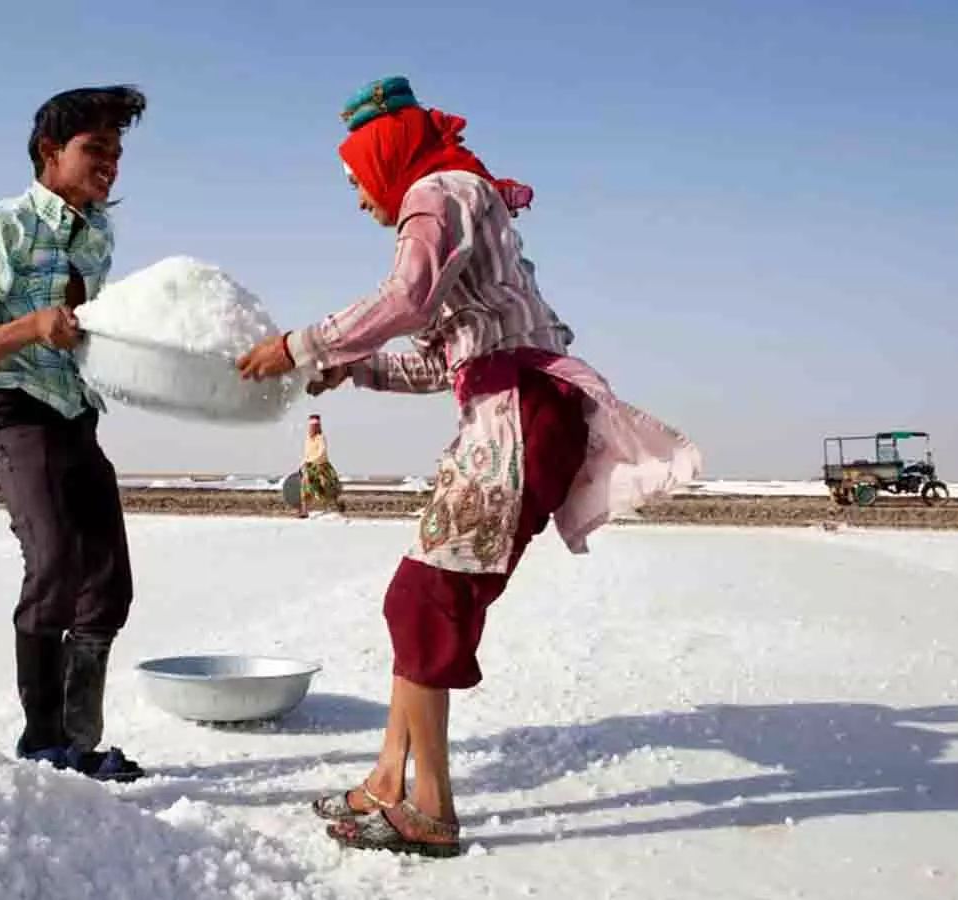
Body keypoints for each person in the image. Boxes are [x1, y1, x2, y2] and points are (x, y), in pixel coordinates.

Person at [237, 76, 702, 856]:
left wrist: (302, 345)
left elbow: (409, 296)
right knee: (420, 600)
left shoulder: (440, 190)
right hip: (506, 413)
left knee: (424, 601)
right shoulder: (460, 199)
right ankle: (389, 780)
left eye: (355, 180)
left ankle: (431, 809)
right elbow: (434, 358)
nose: (358, 201)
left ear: (383, 158)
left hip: (519, 415)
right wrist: (356, 369)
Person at [0, 84, 148, 783]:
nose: (111, 164)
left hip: (75, 413)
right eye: (96, 149)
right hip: (12, 406)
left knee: (109, 584)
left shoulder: (100, 235)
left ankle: (79, 748)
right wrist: (32, 326)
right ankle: (42, 746)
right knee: (54, 562)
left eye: (117, 152)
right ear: (49, 151)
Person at [298, 414, 347, 518]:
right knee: (305, 486)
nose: (313, 429)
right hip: (310, 466)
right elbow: (306, 453)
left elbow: (322, 452)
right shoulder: (308, 439)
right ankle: (304, 511)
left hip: (322, 466)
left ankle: (337, 504)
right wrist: (303, 463)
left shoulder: (321, 438)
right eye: (311, 426)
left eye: (315, 426)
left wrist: (311, 460)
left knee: (327, 486)